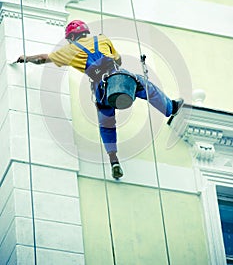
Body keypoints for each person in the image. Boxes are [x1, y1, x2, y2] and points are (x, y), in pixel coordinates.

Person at [17, 20, 184, 179]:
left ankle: (113, 160)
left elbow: (43, 59)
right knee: (146, 87)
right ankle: (170, 108)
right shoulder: (102, 39)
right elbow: (118, 60)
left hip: (101, 90)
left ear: (71, 37)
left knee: (107, 125)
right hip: (118, 79)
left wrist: (26, 58)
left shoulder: (68, 51)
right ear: (85, 32)